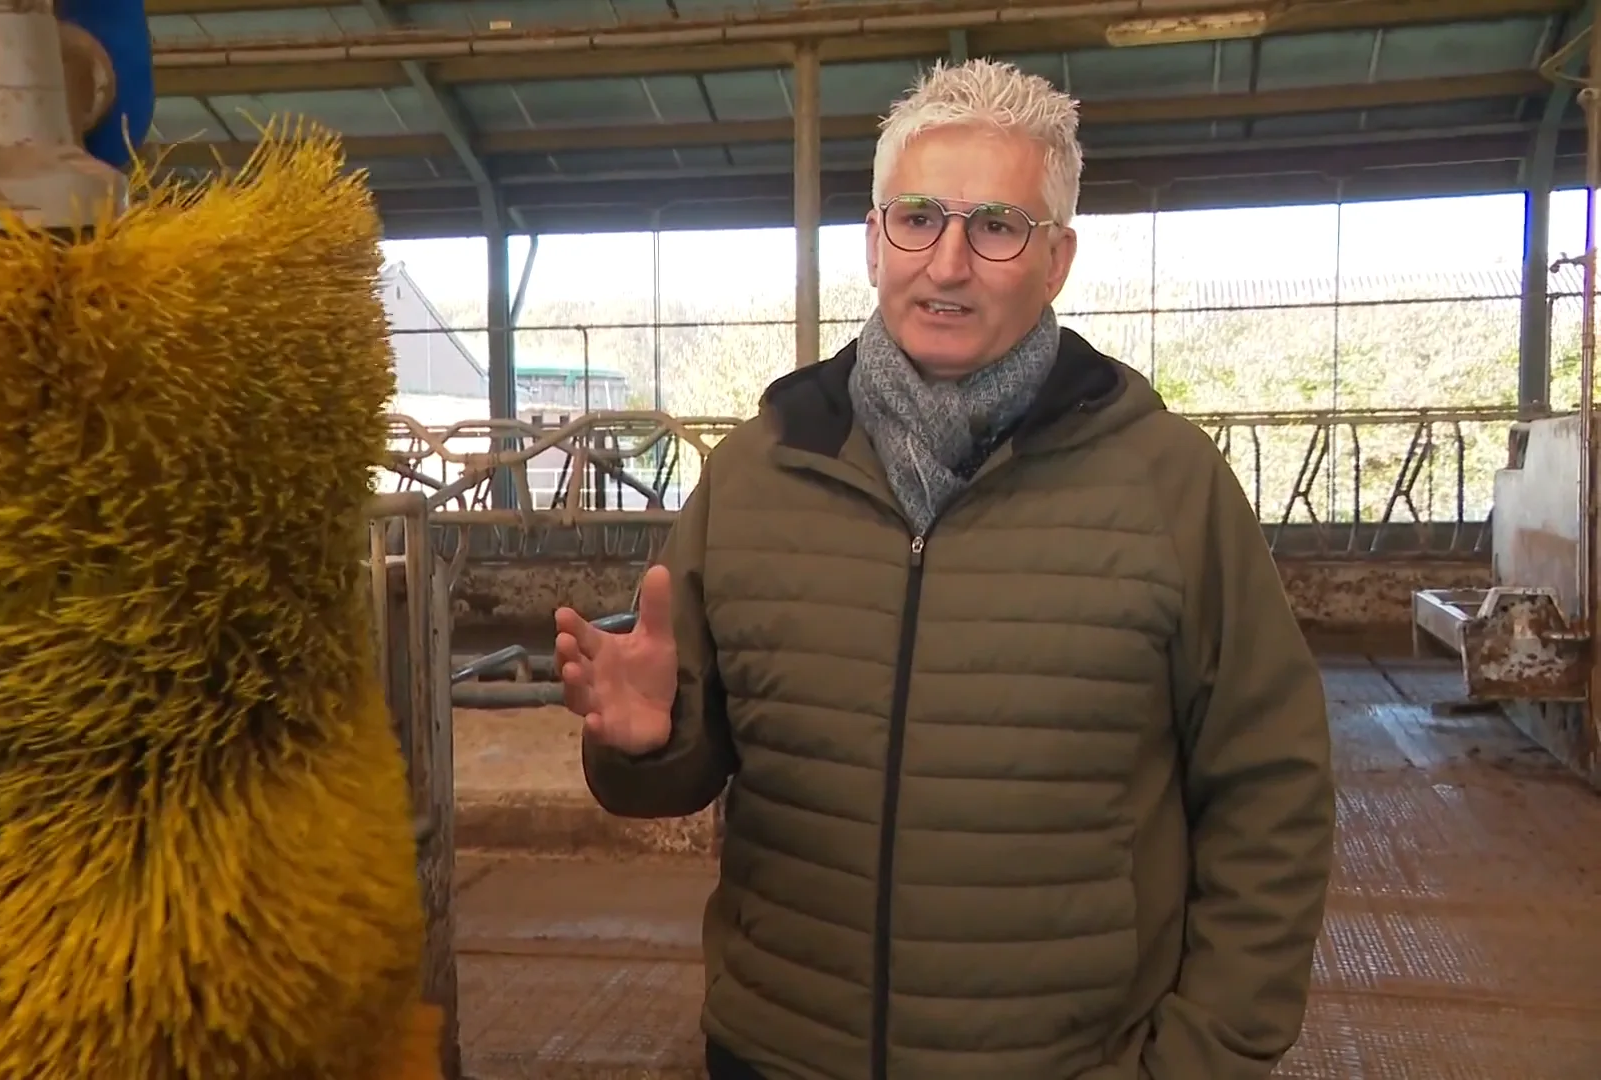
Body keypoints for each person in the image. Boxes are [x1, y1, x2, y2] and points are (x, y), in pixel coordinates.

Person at [553, 59, 1335, 1080]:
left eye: (998, 226)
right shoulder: (761, 471)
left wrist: (1207, 1053)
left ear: (1056, 259)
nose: (949, 263)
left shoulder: (1168, 486)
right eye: (916, 219)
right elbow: (685, 767)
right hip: (784, 1050)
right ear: (874, 242)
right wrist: (647, 745)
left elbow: (1272, 790)